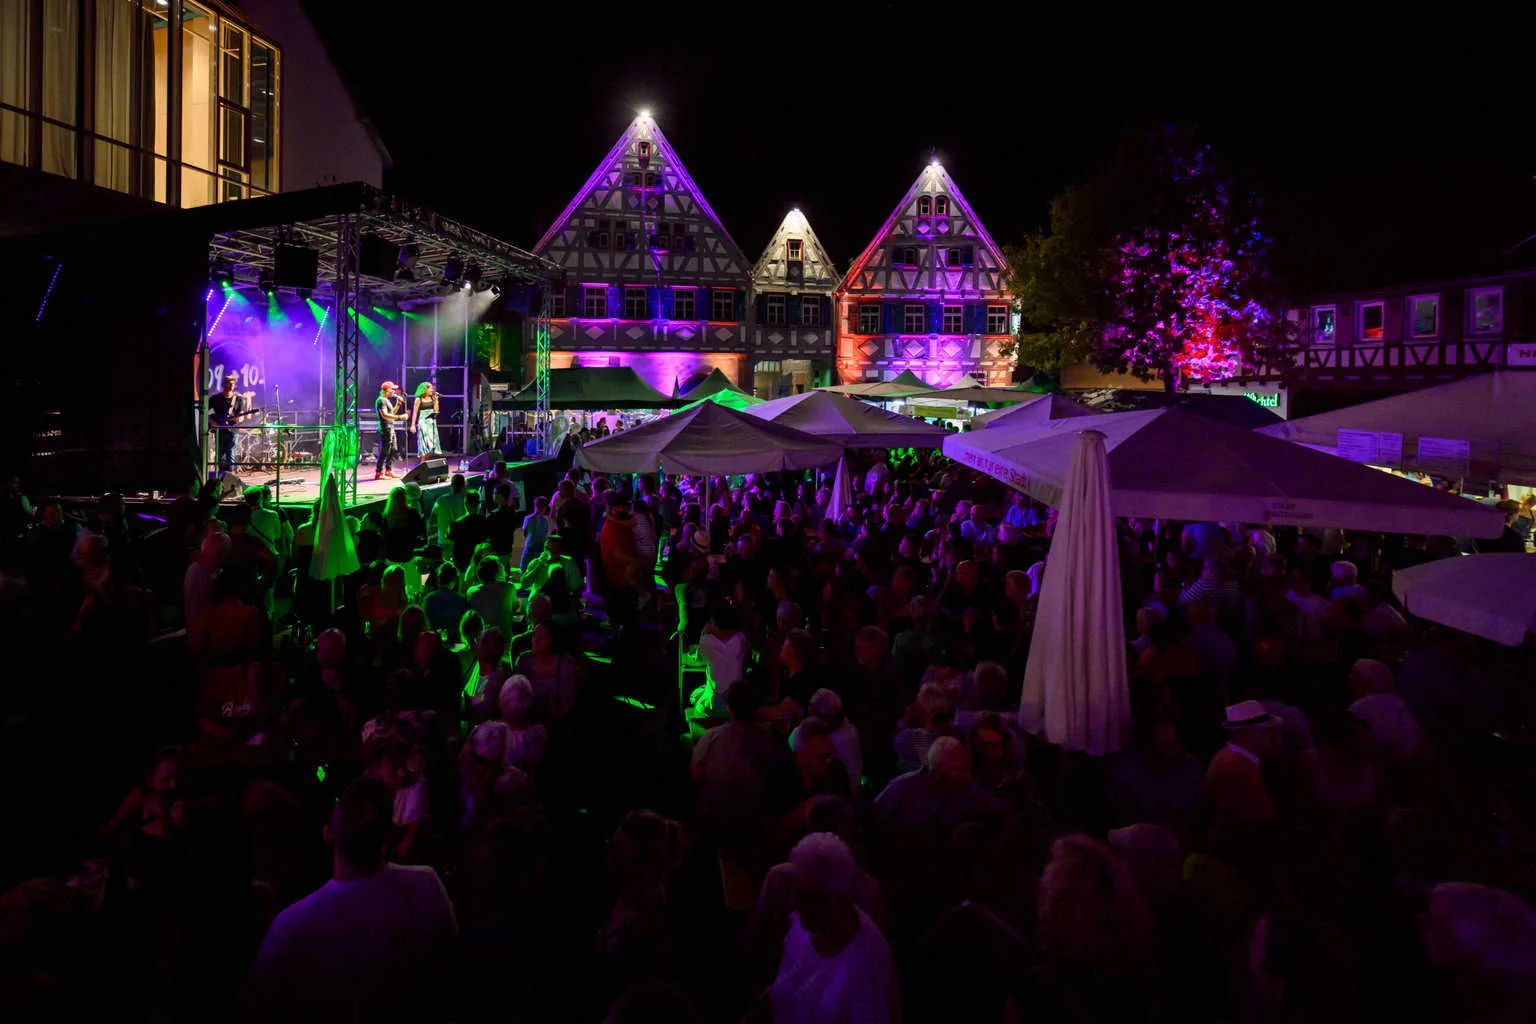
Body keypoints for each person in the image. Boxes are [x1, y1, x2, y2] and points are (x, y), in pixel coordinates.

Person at [243, 776, 458, 1022]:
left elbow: (255, 1008)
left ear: (328, 831)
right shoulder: (426, 886)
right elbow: (451, 977)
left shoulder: (291, 926)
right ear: (387, 836)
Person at [765, 832, 900, 1024]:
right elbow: (795, 979)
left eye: (810, 898)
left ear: (839, 897)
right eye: (799, 894)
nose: (798, 905)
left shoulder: (867, 970)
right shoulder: (804, 925)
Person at [208, 373, 254, 478]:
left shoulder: (238, 399)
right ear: (224, 385)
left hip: (233, 431)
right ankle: (221, 476)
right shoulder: (215, 398)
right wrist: (212, 421)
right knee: (221, 455)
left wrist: (239, 419)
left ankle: (230, 477)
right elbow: (204, 411)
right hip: (220, 430)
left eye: (233, 384)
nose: (231, 385)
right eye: (229, 383)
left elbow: (241, 415)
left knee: (231, 454)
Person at [374, 381, 407, 481]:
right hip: (385, 428)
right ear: (387, 390)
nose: (394, 391)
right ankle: (378, 473)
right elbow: (385, 415)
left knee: (393, 449)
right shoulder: (381, 400)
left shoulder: (386, 400)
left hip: (390, 427)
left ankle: (388, 470)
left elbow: (391, 413)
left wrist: (398, 404)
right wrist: (400, 417)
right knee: (385, 451)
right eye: (392, 389)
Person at [409, 380, 441, 459]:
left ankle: (425, 464)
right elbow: (415, 413)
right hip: (423, 422)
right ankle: (422, 463)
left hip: (431, 422)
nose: (432, 390)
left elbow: (436, 411)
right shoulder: (418, 399)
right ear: (425, 390)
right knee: (425, 443)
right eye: (430, 389)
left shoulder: (432, 398)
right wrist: (413, 425)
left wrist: (436, 400)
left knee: (431, 445)